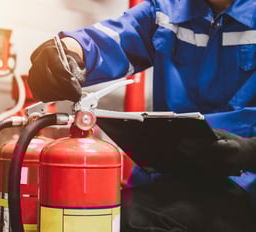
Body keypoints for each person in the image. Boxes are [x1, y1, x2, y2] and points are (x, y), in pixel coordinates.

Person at [27, 0, 256, 231]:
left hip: (243, 185)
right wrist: (64, 54)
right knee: (94, 217)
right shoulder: (167, 10)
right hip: (166, 178)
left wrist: (251, 152)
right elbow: (108, 38)